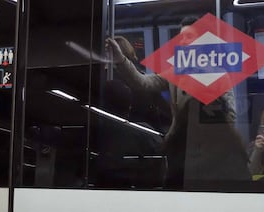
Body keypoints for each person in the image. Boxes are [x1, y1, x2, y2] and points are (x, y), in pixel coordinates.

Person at [105, 16, 250, 189]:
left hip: (210, 149)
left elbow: (230, 115)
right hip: (179, 146)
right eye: (181, 38)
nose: (183, 42)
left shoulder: (217, 74)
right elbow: (142, 83)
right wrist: (121, 60)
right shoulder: (176, 71)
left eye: (189, 37)